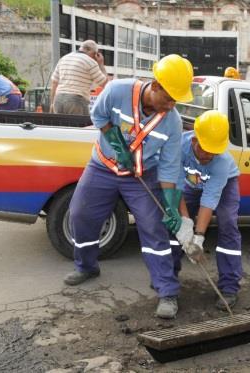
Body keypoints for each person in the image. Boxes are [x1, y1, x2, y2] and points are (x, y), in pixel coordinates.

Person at [63, 54, 194, 320]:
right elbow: (98, 114)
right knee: (80, 214)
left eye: (175, 101)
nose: (171, 105)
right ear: (155, 85)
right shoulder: (117, 91)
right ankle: (87, 266)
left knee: (154, 228)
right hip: (103, 166)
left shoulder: (172, 121)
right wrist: (115, 140)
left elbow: (169, 167)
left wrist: (171, 205)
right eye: (168, 98)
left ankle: (167, 290)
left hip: (142, 175)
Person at [170, 110, 242, 311]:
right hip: (190, 185)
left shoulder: (222, 162)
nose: (209, 155)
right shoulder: (178, 148)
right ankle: (168, 282)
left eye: (214, 151)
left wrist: (199, 237)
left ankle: (229, 288)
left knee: (228, 222)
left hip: (224, 185)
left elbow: (209, 200)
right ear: (194, 140)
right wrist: (185, 222)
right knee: (173, 225)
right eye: (205, 150)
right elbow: (175, 188)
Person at [50, 40, 108, 115]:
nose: (95, 57)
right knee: (80, 126)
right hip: (76, 100)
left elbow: (54, 82)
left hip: (58, 99)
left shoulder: (64, 58)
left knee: (61, 126)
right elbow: (104, 83)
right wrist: (101, 64)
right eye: (95, 54)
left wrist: (52, 103)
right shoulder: (90, 62)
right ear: (90, 51)